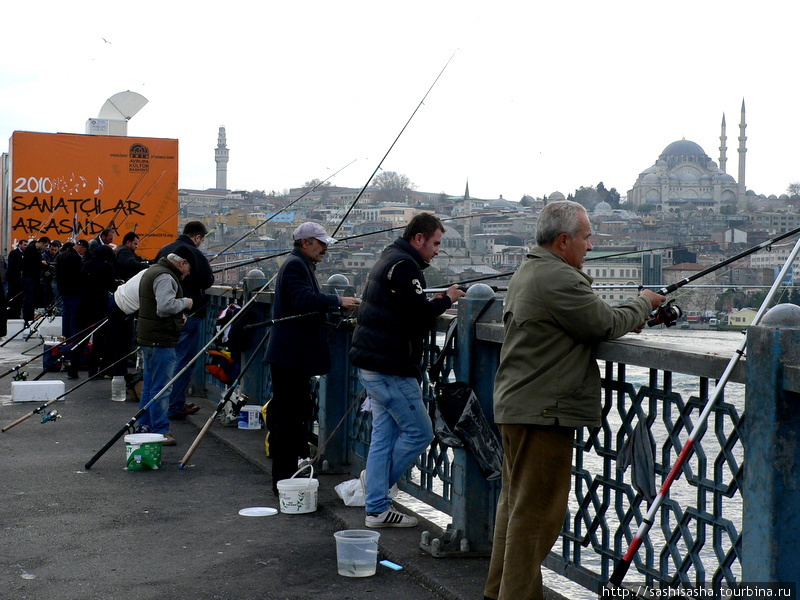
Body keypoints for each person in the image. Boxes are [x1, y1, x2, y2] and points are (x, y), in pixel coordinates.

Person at [482, 201, 664, 600]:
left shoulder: (531, 269)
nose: (590, 243)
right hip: (543, 410)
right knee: (537, 519)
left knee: (515, 509)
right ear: (563, 240)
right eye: (585, 236)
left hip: (519, 404)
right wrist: (645, 302)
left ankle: (498, 592)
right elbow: (605, 323)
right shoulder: (559, 277)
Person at [350, 213, 466, 528]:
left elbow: (403, 308)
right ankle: (374, 489)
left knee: (383, 436)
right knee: (420, 433)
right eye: (436, 243)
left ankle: (376, 508)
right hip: (390, 367)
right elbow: (418, 316)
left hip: (373, 363)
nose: (438, 250)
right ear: (419, 239)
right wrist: (447, 300)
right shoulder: (404, 266)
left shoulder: (390, 256)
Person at [264, 222, 360, 493]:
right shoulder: (295, 265)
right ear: (305, 243)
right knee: (288, 422)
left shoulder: (298, 263)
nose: (325, 248)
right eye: (320, 243)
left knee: (294, 418)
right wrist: (337, 301)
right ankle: (284, 483)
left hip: (292, 357)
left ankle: (287, 480)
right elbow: (303, 299)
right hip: (290, 357)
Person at [136, 247, 195, 446]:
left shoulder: (153, 270)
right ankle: (161, 431)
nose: (187, 273)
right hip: (160, 340)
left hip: (149, 336)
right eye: (188, 268)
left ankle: (143, 427)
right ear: (182, 262)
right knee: (162, 389)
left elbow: (157, 305)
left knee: (150, 386)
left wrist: (179, 318)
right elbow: (164, 307)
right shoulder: (165, 277)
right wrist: (185, 302)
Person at [156, 221, 215, 420]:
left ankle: (164, 402)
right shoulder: (194, 253)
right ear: (197, 237)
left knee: (165, 361)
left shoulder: (164, 249)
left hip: (162, 315)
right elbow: (207, 280)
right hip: (188, 313)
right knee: (183, 361)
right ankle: (174, 405)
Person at [68, 245, 116, 379]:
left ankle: (73, 369)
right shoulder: (107, 267)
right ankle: (93, 371)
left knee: (82, 339)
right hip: (100, 307)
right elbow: (111, 286)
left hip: (84, 306)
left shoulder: (86, 265)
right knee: (99, 341)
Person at [55, 241, 83, 339]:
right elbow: (78, 276)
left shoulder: (62, 256)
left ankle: (65, 336)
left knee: (66, 314)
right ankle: (73, 337)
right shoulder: (76, 258)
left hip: (63, 290)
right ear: (82, 248)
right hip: (74, 292)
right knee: (74, 316)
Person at [21, 236, 50, 325]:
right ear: (41, 243)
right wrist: (41, 263)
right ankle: (27, 320)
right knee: (28, 300)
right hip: (29, 278)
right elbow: (30, 264)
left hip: (34, 278)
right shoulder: (31, 250)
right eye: (45, 245)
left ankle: (30, 318)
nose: (45, 248)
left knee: (32, 300)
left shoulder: (36, 250)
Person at [6, 239, 28, 319]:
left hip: (21, 281)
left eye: (26, 245)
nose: (26, 247)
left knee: (19, 299)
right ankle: (11, 314)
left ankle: (17, 313)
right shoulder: (14, 253)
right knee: (13, 297)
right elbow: (12, 267)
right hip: (14, 280)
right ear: (19, 245)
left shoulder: (25, 254)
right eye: (24, 245)